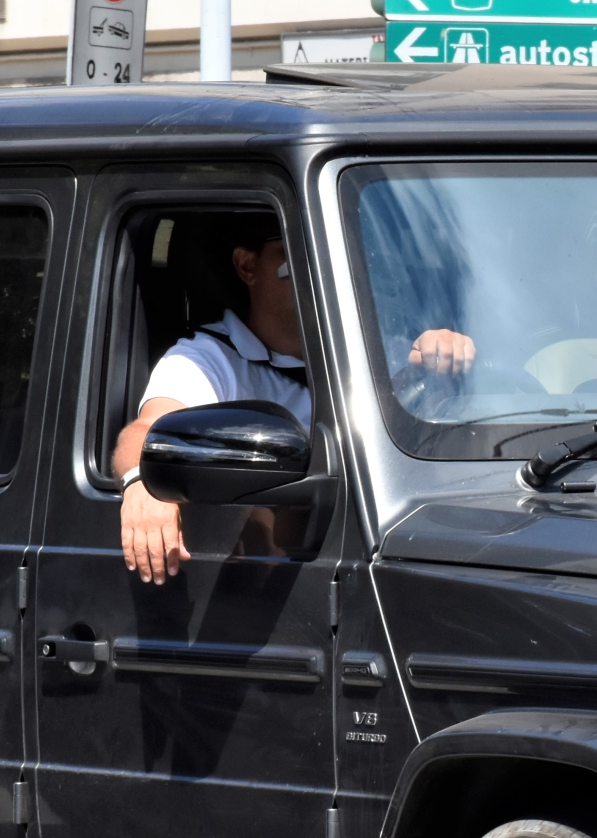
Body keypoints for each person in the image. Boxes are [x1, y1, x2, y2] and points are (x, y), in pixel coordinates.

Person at [115, 226, 475, 583]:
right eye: (302, 248)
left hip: (395, 548)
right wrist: (142, 483)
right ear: (247, 267)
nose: (322, 262)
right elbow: (147, 434)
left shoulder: (379, 351)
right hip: (274, 581)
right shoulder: (205, 359)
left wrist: (443, 356)